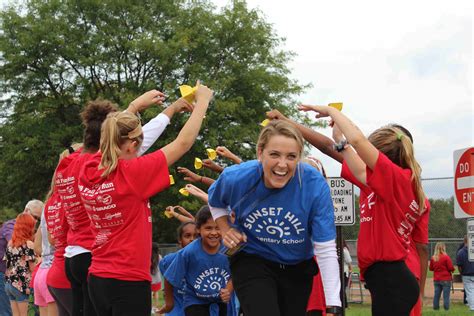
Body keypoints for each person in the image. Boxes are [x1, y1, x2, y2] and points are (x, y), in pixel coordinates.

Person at [78, 82, 212, 316]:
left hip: (97, 277)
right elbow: (182, 144)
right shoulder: (132, 175)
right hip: (128, 280)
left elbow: (112, 136)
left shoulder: (87, 169)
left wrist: (135, 107)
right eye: (138, 144)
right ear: (131, 145)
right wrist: (202, 102)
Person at [55, 90, 189, 316]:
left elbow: (125, 138)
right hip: (110, 265)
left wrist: (136, 107)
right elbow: (136, 140)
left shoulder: (75, 166)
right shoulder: (117, 171)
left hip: (76, 259)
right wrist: (160, 109)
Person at [298, 104, 428, 316]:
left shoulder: (396, 180)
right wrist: (341, 139)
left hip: (392, 280)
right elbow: (346, 149)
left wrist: (333, 112)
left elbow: (358, 140)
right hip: (388, 280)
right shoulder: (387, 183)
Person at [208, 120, 341, 316]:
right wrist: (226, 228)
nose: (282, 164)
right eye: (274, 154)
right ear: (260, 153)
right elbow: (215, 201)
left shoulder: (314, 185)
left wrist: (333, 305)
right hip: (253, 258)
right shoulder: (236, 177)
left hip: (297, 267)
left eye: (291, 157)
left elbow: (325, 248)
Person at [163, 206, 232, 316]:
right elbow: (169, 277)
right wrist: (169, 303)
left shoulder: (229, 248)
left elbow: (237, 272)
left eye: (218, 227)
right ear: (199, 229)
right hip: (194, 301)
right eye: (208, 228)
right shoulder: (188, 252)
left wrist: (228, 289)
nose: (214, 233)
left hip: (219, 301)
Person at [158, 222, 198, 315]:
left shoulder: (207, 260)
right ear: (180, 240)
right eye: (187, 236)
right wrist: (168, 302)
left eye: (196, 236)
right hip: (176, 312)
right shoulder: (168, 261)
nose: (192, 239)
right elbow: (167, 280)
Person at [4, 213, 37, 316]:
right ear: (28, 227)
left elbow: (7, 264)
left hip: (10, 284)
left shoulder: (10, 243)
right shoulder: (28, 244)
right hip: (22, 286)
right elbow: (32, 268)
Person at [429, 242, 454, 310]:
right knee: (446, 296)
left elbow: (431, 268)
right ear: (443, 248)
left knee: (436, 295)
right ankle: (446, 309)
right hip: (446, 279)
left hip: (437, 279)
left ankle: (436, 308)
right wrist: (452, 270)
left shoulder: (433, 258)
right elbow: (451, 268)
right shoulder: (446, 257)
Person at [457, 237, 474, 311]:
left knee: (469, 292)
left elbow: (459, 265)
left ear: (464, 241)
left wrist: (462, 273)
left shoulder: (461, 252)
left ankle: (472, 307)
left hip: (466, 274)